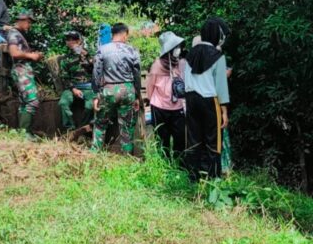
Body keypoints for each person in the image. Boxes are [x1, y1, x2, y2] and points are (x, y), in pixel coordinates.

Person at [184, 17, 231, 179]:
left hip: (190, 99)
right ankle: (213, 177)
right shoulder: (217, 56)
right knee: (213, 140)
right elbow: (221, 87)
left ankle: (193, 176)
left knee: (193, 138)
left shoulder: (189, 54)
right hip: (210, 101)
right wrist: (224, 111)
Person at [91, 22, 142, 154]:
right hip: (128, 90)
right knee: (127, 127)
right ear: (125, 34)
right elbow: (137, 75)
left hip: (109, 90)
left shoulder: (102, 50)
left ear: (112, 34)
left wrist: (96, 94)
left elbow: (96, 73)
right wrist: (137, 96)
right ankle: (128, 157)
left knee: (100, 124)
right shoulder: (132, 51)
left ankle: (94, 154)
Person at [147, 31, 187, 162]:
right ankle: (164, 165)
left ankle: (179, 165)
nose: (178, 49)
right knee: (161, 139)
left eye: (179, 46)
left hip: (178, 107)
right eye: (175, 47)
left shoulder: (182, 63)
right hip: (159, 107)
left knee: (180, 139)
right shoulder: (157, 65)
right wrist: (151, 101)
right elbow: (150, 87)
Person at [6, 12, 44, 138]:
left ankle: (24, 132)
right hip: (21, 70)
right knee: (32, 101)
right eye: (28, 22)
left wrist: (34, 56)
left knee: (24, 102)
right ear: (21, 21)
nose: (29, 25)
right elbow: (14, 53)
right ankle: (25, 133)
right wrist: (31, 55)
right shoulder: (13, 34)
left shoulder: (17, 34)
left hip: (23, 70)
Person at [58, 31, 95, 131]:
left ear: (79, 41)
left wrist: (86, 56)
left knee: (91, 105)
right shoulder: (65, 59)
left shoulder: (89, 55)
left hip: (88, 87)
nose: (71, 42)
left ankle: (83, 128)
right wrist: (73, 89)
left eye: (74, 40)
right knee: (63, 103)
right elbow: (64, 77)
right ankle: (70, 128)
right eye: (68, 40)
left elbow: (97, 70)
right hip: (73, 86)